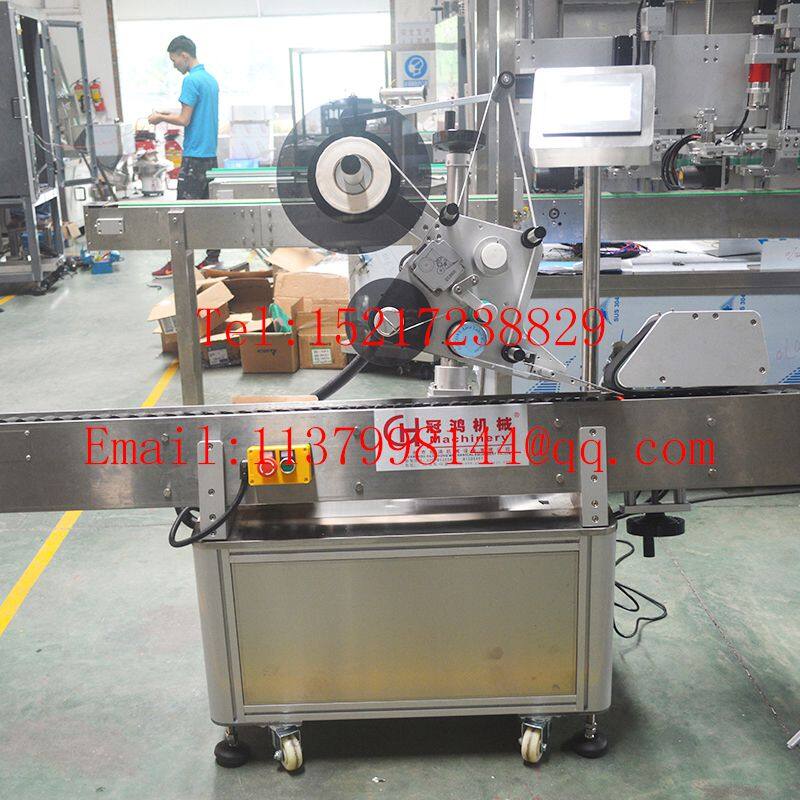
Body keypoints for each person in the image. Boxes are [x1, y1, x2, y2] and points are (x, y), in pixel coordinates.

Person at [148, 35, 221, 278]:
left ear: (184, 55)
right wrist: (168, 112)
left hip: (194, 157)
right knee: (209, 211)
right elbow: (195, 114)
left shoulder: (190, 81)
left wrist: (160, 118)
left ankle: (177, 264)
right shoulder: (210, 80)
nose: (174, 65)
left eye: (174, 60)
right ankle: (212, 259)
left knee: (181, 214)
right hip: (210, 157)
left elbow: (184, 119)